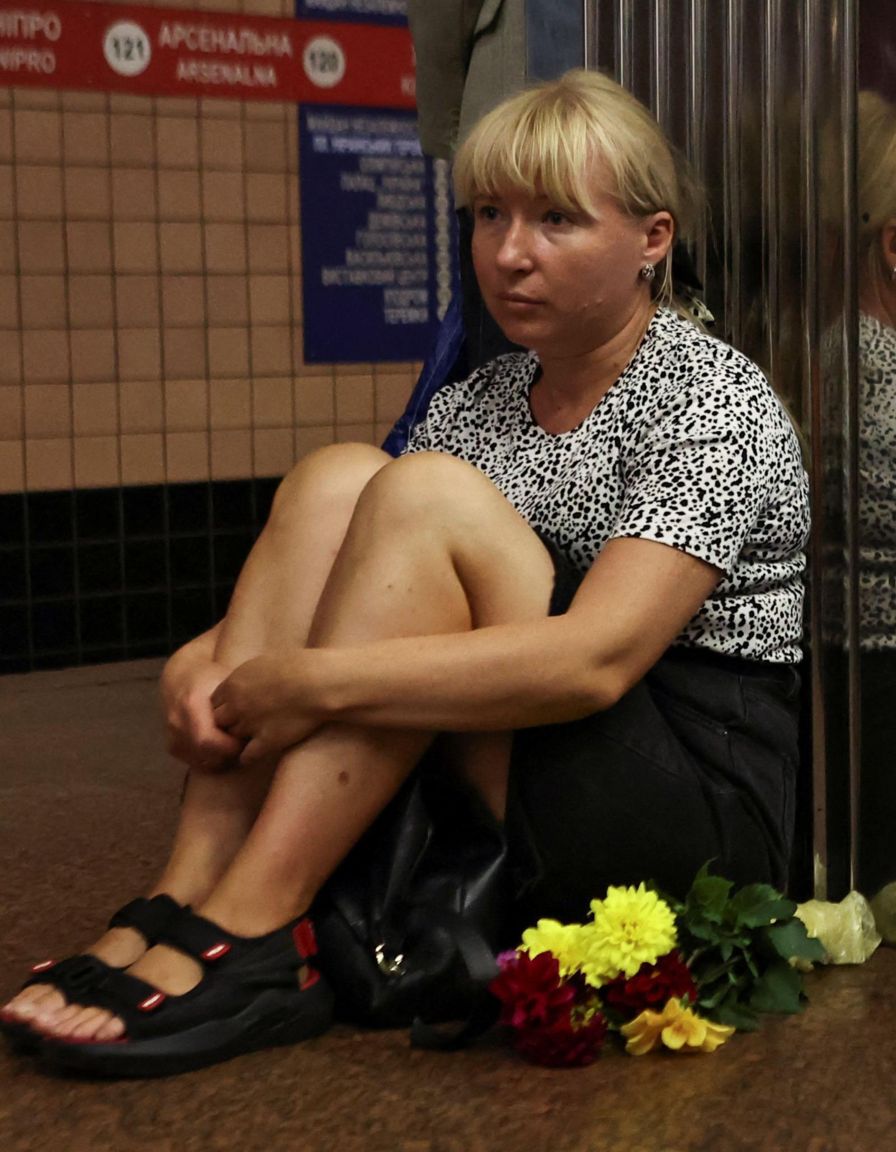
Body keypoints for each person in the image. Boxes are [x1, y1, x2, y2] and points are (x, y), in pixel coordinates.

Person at [1, 71, 810, 1076]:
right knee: (342, 477)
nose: (509, 253)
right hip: (514, 756)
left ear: (652, 238)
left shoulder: (711, 399)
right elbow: (360, 578)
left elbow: (594, 663)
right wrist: (209, 662)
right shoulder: (481, 401)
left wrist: (307, 683)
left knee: (422, 493)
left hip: (681, 791)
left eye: (556, 219)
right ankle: (193, 891)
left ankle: (259, 924)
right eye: (488, 215)